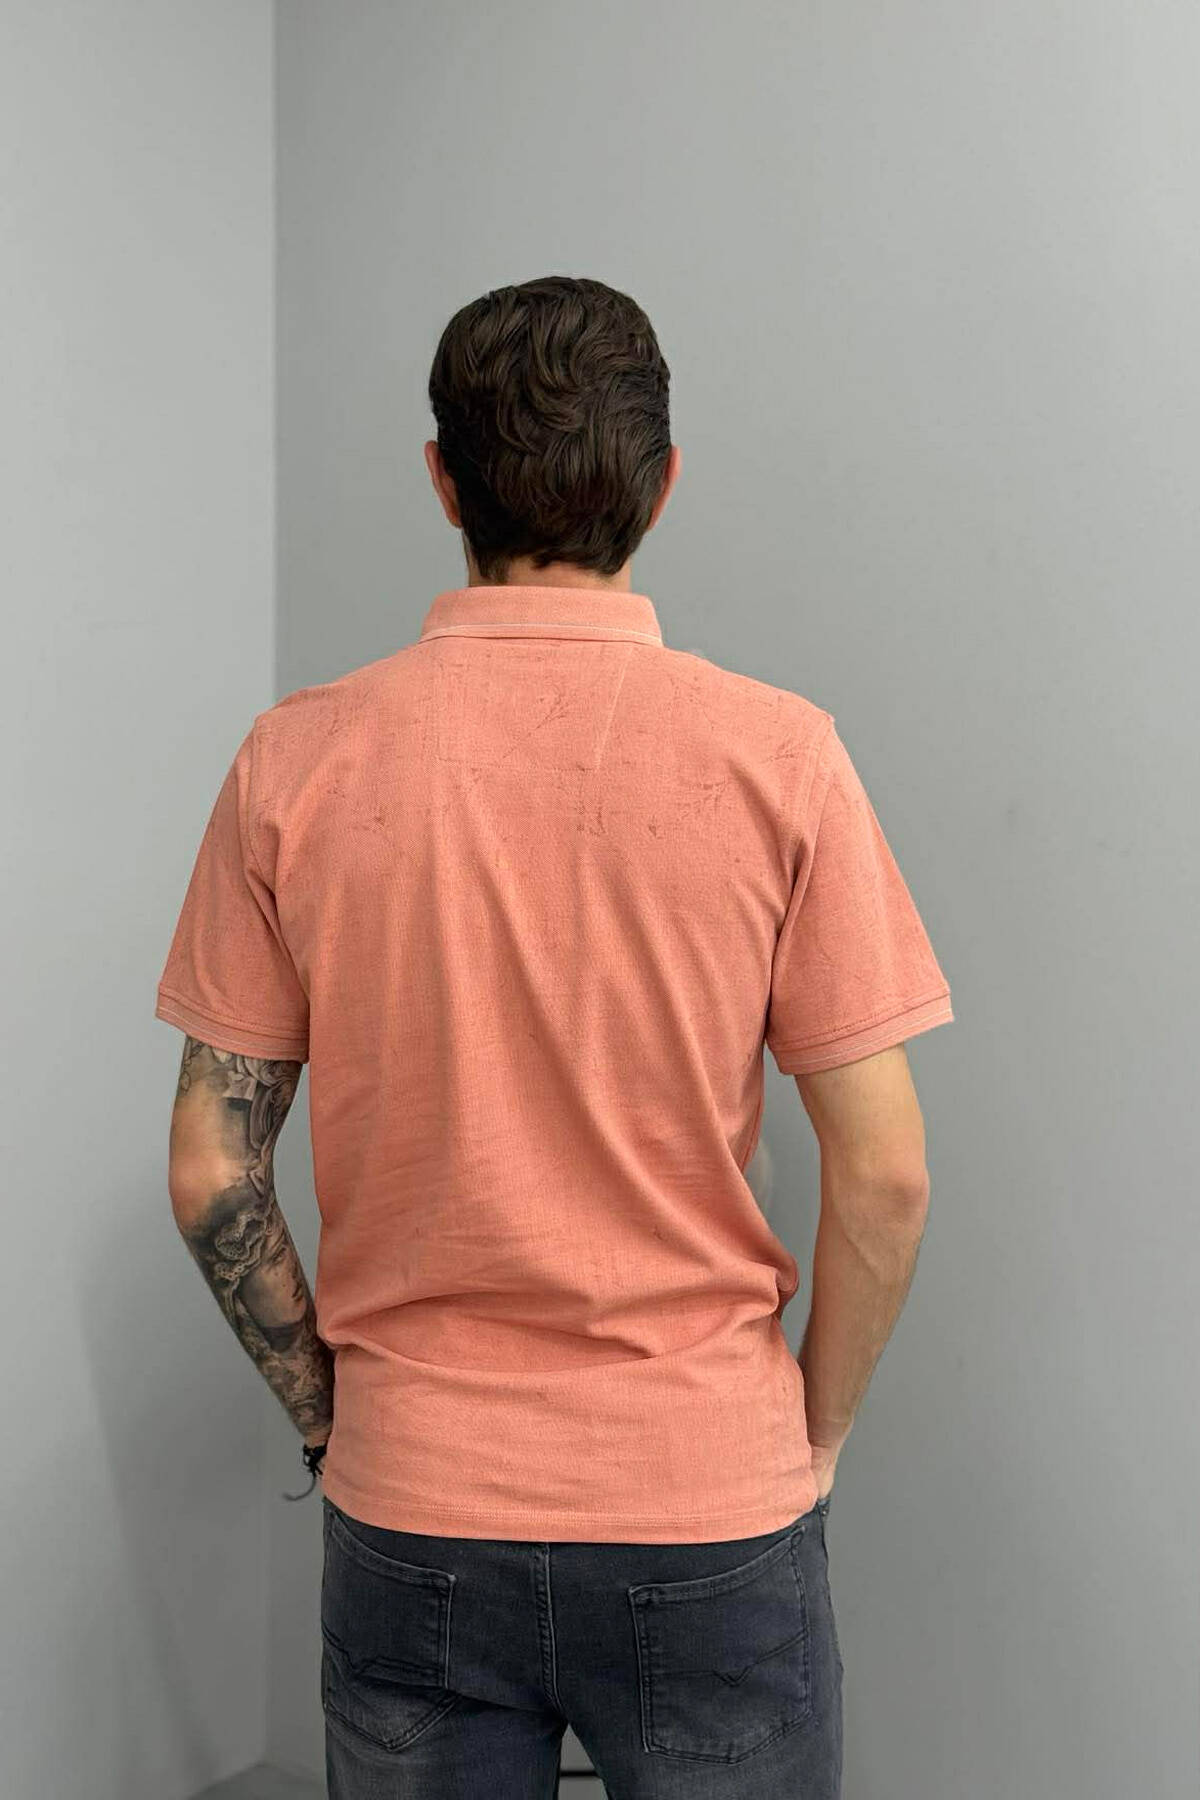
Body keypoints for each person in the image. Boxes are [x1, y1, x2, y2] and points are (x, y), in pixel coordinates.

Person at [156, 274, 954, 1799]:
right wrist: (813, 1441)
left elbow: (211, 1172)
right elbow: (889, 1177)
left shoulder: (294, 762)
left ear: (442, 481)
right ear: (663, 486)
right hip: (708, 1496)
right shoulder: (780, 756)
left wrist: (334, 1427)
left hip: (415, 1501)